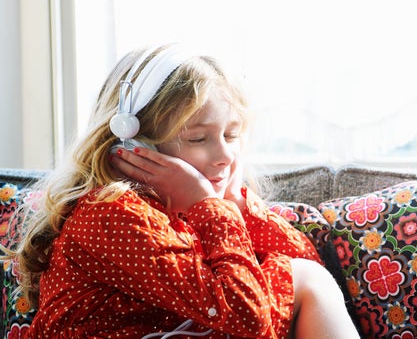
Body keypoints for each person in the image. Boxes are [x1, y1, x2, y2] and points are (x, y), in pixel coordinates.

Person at [7, 44, 359, 338]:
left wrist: (236, 205)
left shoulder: (192, 210)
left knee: (304, 275)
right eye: (198, 139)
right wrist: (210, 207)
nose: (224, 156)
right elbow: (248, 315)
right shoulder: (113, 214)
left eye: (231, 135)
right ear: (134, 145)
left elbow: (312, 270)